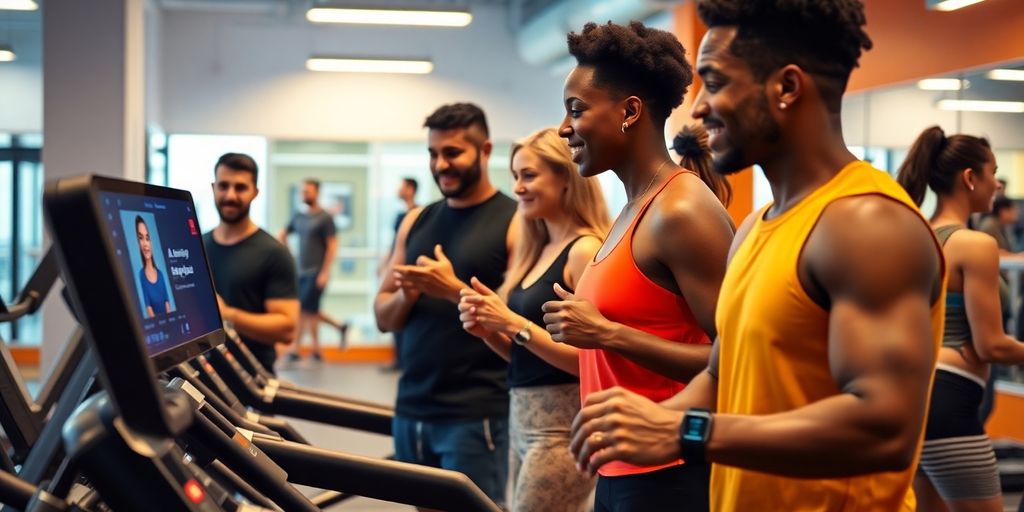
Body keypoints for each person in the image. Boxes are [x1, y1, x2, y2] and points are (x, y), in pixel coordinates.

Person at [565, 2, 947, 511]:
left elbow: (885, 428)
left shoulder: (866, 224)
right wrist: (647, 421)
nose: (698, 109)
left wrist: (686, 431)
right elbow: (720, 374)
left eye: (715, 83)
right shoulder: (754, 228)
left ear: (786, 87)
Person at [544, 21, 735, 511]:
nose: (564, 128)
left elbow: (736, 357)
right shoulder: (633, 208)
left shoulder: (681, 211)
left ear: (630, 112)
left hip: (671, 471)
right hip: (619, 468)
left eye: (576, 110)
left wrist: (607, 334)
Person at [373, 102, 519, 506]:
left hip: (476, 414)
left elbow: (519, 326)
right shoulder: (415, 221)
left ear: (485, 151)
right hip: (412, 409)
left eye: (452, 153)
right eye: (433, 154)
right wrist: (409, 292)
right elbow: (383, 317)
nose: (440, 165)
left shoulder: (516, 222)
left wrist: (452, 289)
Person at [457, 127, 609, 511]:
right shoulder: (536, 249)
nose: (518, 188)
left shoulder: (584, 250)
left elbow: (593, 361)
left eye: (529, 175)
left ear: (565, 178)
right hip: (521, 420)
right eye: (515, 176)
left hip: (561, 430)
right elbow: (528, 359)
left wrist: (511, 323)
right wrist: (489, 330)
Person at [897, 126, 1024, 512]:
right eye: (992, 174)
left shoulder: (915, 235)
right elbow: (991, 345)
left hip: (913, 394)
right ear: (970, 178)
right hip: (950, 396)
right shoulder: (975, 244)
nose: (997, 185)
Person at [204, 153, 300, 375]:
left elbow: (287, 329)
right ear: (213, 188)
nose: (230, 195)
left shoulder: (274, 253)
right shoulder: (196, 247)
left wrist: (227, 314)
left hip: (252, 379)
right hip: (200, 380)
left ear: (255, 192)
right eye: (223, 186)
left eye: (240, 187)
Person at [278, 178, 346, 360]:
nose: (304, 194)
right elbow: (282, 234)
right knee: (311, 310)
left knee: (304, 309)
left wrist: (325, 272)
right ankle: (321, 344)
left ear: (317, 193)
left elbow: (332, 246)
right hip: (300, 271)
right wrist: (290, 255)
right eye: (303, 191)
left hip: (317, 272)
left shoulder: (325, 218)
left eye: (307, 191)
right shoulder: (299, 216)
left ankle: (296, 349)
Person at [382, 177, 420, 372]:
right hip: (397, 271)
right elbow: (395, 244)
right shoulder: (400, 216)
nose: (398, 190)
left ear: (411, 189)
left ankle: (405, 359)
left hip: (411, 273)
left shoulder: (419, 214)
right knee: (395, 309)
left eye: (402, 186)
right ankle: (398, 358)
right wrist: (385, 264)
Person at [135, 215, 171, 318]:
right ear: (138, 243)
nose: (145, 244)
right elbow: (148, 306)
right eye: (141, 238)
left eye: (147, 238)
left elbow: (167, 302)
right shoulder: (141, 275)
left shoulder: (160, 274)